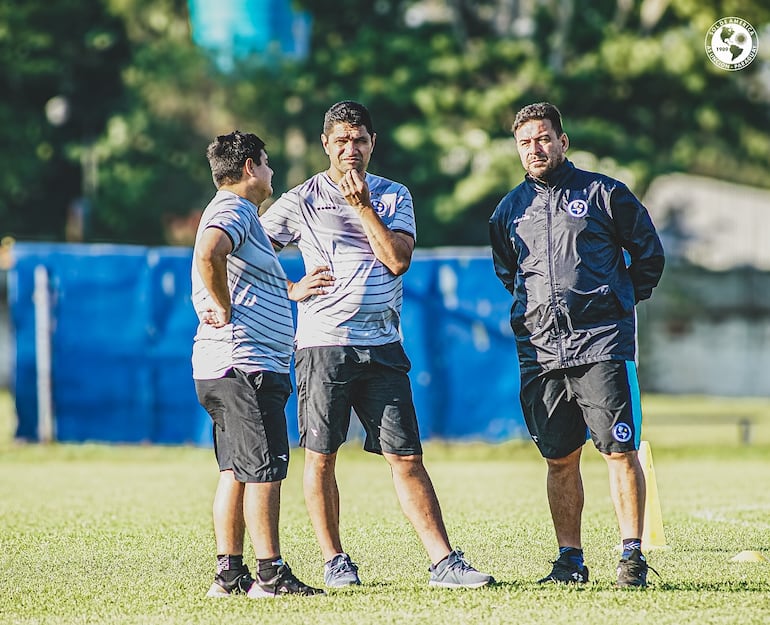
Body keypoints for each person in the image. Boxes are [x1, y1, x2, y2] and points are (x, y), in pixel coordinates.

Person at [260, 100, 495, 590]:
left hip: (383, 344)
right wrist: (290, 288)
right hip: (324, 346)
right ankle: (335, 560)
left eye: (360, 140)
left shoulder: (392, 196)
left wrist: (362, 206)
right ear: (326, 143)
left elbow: (396, 261)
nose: (351, 149)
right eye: (341, 140)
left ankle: (443, 562)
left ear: (372, 143)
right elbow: (245, 256)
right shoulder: (300, 199)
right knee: (321, 456)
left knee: (406, 456)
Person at [488, 102, 665, 588]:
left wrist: (617, 299)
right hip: (541, 351)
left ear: (562, 142)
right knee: (559, 457)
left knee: (617, 450)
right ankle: (570, 560)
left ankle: (632, 556)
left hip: (601, 344)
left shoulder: (604, 193)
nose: (535, 148)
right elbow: (510, 274)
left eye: (544, 138)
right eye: (525, 142)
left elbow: (648, 254)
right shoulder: (508, 210)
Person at [192, 131, 325, 598]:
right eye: (266, 163)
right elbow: (211, 252)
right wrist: (223, 307)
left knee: (235, 471)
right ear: (250, 166)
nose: (271, 172)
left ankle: (229, 576)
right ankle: (270, 575)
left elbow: (233, 271)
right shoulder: (235, 208)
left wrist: (288, 291)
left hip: (220, 368)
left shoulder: (232, 211)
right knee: (265, 469)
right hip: (245, 365)